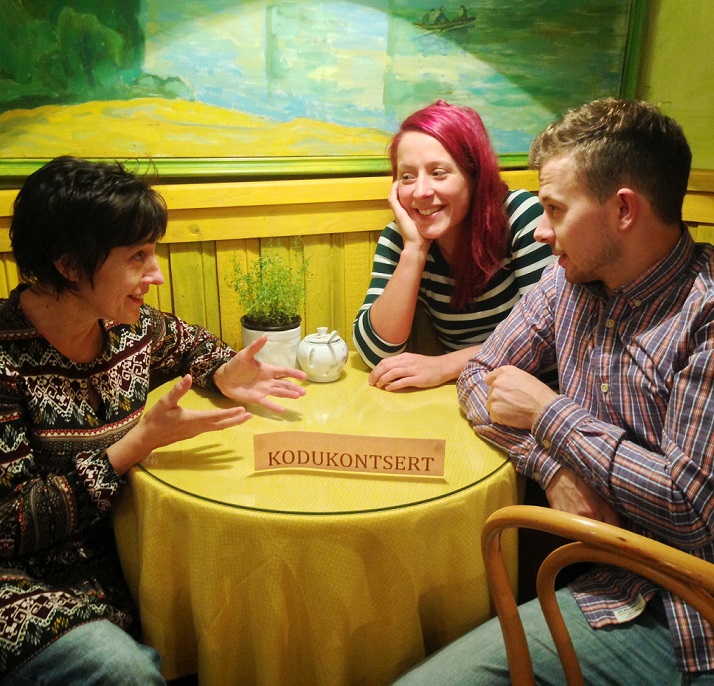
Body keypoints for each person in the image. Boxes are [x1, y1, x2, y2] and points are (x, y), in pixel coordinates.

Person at [393, 98, 714, 684]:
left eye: (554, 209)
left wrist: (547, 412)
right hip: (590, 571)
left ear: (623, 210)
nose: (540, 231)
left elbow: (690, 509)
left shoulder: (705, 315)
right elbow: (479, 377)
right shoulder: (565, 282)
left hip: (687, 611)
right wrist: (553, 468)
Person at [0, 157, 308, 684]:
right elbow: (9, 524)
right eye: (137, 256)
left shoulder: (129, 327)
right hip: (19, 582)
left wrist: (223, 371)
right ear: (69, 265)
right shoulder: (7, 359)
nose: (157, 274)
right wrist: (134, 445)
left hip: (123, 554)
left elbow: (192, 346)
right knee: (123, 671)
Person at [352, 100, 554, 391]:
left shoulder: (520, 216)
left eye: (438, 173)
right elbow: (376, 354)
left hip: (539, 393)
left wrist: (444, 366)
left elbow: (545, 337)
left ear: (474, 176)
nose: (421, 191)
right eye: (407, 177)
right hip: (468, 393)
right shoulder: (401, 238)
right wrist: (415, 251)